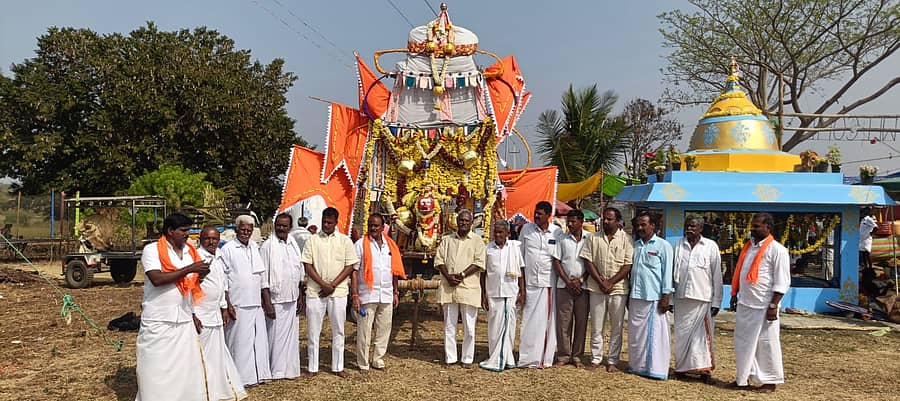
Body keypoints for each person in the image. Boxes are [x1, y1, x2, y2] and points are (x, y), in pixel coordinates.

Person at [135, 213, 210, 401]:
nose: (188, 235)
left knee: (183, 369)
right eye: (184, 231)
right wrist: (190, 269)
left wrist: (200, 274)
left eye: (189, 231)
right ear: (170, 231)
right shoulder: (152, 250)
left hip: (183, 317)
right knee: (154, 368)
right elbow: (157, 279)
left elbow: (191, 283)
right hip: (159, 319)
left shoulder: (190, 251)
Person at [729, 212, 790, 392]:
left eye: (756, 226)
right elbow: (741, 273)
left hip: (764, 307)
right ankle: (742, 379)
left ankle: (770, 381)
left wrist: (773, 306)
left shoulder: (778, 250)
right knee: (743, 343)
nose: (752, 229)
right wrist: (735, 294)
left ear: (768, 228)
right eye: (752, 225)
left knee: (767, 343)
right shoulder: (749, 247)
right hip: (745, 304)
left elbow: (782, 282)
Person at [301, 207, 359, 378]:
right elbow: (307, 265)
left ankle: (338, 366)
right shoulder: (312, 240)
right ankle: (312, 367)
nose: (326, 225)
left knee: (338, 329)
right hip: (315, 291)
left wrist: (332, 285)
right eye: (324, 222)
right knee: (313, 330)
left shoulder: (345, 241)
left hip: (338, 291)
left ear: (336, 222)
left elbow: (350, 266)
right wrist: (323, 285)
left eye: (329, 222)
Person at [217, 215, 273, 387]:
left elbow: (261, 276)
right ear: (236, 230)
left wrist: (266, 300)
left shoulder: (255, 247)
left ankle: (259, 375)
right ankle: (242, 378)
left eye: (249, 230)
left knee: (258, 340)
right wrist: (227, 303)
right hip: (238, 303)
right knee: (240, 342)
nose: (246, 233)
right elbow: (223, 280)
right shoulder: (228, 249)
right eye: (243, 229)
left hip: (255, 303)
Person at [196, 226, 247, 401]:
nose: (211, 242)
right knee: (200, 354)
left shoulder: (217, 257)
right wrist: (193, 314)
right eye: (207, 239)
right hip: (200, 313)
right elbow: (191, 287)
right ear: (200, 240)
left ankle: (217, 387)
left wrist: (224, 307)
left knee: (216, 353)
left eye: (215, 239)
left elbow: (222, 284)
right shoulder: (197, 258)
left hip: (215, 313)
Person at [351, 214, 406, 373]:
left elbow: (394, 271)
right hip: (367, 294)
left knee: (384, 328)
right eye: (371, 225)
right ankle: (363, 363)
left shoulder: (391, 245)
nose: (373, 228)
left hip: (387, 293)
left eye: (376, 226)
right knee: (364, 331)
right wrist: (355, 296)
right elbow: (354, 272)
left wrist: (395, 292)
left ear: (383, 227)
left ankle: (377, 358)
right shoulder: (361, 244)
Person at [580, 207, 632, 372]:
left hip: (618, 290)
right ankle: (596, 359)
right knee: (596, 326)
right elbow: (588, 261)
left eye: (609, 219)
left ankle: (612, 360)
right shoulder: (593, 238)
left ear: (618, 221)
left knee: (616, 327)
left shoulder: (627, 239)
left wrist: (610, 282)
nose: (605, 221)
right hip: (596, 288)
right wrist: (601, 281)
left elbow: (627, 265)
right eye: (604, 218)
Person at [672, 215, 723, 383]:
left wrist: (717, 301)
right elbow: (671, 274)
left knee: (702, 338)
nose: (689, 229)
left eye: (693, 226)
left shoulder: (710, 246)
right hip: (681, 298)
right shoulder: (678, 245)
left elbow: (717, 276)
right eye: (687, 226)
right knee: (682, 336)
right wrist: (670, 299)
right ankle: (681, 368)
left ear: (701, 229)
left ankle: (704, 371)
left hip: (703, 298)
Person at [434, 209, 485, 368]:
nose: (463, 223)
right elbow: (439, 260)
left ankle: (467, 359)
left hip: (469, 288)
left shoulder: (477, 241)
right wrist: (448, 276)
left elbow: (479, 263)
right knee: (449, 325)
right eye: (461, 220)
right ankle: (450, 358)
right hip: (449, 288)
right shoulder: (447, 240)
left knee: (469, 327)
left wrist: (462, 275)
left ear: (471, 223)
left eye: (466, 221)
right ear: (457, 221)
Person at [627, 211, 673, 380]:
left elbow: (667, 272)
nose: (640, 228)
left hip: (654, 297)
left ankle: (656, 368)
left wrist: (666, 295)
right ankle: (637, 366)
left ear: (653, 226)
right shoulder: (635, 245)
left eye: (643, 225)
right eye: (638, 225)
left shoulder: (663, 246)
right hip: (636, 296)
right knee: (636, 335)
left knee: (655, 336)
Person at [260, 213, 305, 380]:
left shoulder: (292, 243)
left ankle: (289, 369)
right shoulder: (267, 246)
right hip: (275, 298)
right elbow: (263, 277)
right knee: (275, 336)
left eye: (284, 226)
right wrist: (267, 302)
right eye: (278, 225)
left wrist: (300, 295)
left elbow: (298, 271)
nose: (280, 228)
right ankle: (276, 370)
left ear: (290, 227)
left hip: (292, 296)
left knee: (291, 336)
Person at [518, 201, 560, 368]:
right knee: (528, 320)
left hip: (548, 284)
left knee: (547, 322)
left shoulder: (556, 232)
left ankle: (544, 359)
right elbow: (520, 259)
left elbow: (558, 259)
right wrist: (521, 287)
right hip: (529, 283)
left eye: (540, 214)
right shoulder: (526, 230)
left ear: (548, 215)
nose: (536, 216)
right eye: (535, 213)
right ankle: (527, 357)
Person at [479, 220, 525, 372]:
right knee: (494, 327)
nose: (498, 235)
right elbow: (483, 273)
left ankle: (505, 358)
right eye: (496, 232)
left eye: (501, 232)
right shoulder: (488, 249)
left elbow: (521, 272)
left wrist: (522, 292)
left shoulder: (514, 248)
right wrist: (483, 294)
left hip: (510, 292)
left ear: (507, 234)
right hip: (493, 292)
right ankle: (495, 355)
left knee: (509, 327)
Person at [552, 210, 590, 368]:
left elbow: (592, 263)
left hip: (584, 287)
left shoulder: (590, 238)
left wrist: (580, 280)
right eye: (568, 221)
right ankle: (563, 355)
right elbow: (556, 261)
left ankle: (577, 356)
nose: (570, 224)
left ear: (581, 221)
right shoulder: (562, 238)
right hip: (564, 286)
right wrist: (568, 281)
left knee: (581, 322)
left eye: (573, 221)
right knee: (563, 322)